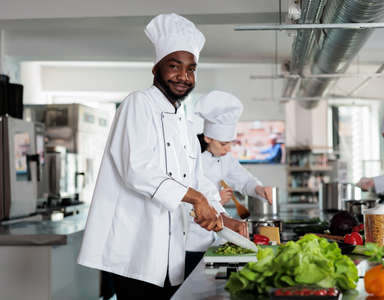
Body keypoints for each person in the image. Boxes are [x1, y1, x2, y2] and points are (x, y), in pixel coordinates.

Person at [77, 14, 225, 300]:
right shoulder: (137, 104)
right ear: (156, 67)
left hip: (171, 251)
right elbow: (138, 169)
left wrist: (221, 215)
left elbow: (196, 177)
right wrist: (197, 199)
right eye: (175, 66)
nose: (184, 76)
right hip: (135, 249)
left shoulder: (182, 119)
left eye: (191, 69)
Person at [184, 91, 273, 278]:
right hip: (188, 239)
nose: (228, 149)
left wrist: (259, 189)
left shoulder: (225, 158)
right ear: (208, 138)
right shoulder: (193, 158)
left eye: (230, 143)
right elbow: (189, 197)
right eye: (224, 144)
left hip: (212, 235)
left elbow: (244, 179)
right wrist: (218, 200)